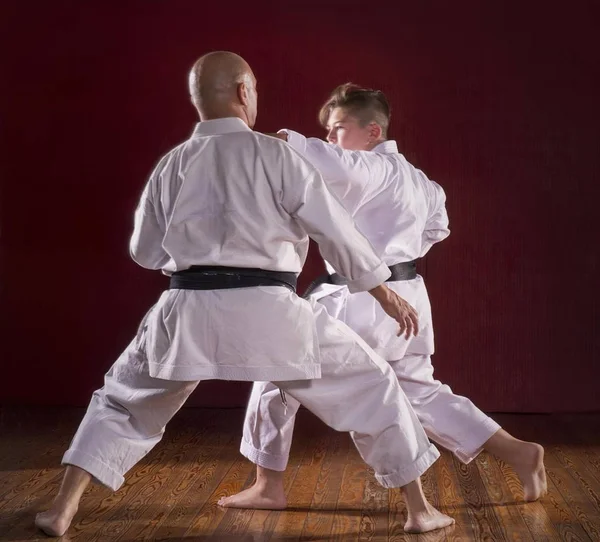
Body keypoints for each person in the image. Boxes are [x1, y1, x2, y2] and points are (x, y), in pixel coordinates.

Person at [34, 56, 455, 538]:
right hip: (271, 315)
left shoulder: (172, 163)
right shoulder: (277, 157)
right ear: (241, 91)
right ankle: (420, 511)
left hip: (185, 311)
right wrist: (381, 291)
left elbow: (145, 252)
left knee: (120, 403)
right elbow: (335, 231)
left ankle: (61, 509)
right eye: (253, 88)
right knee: (374, 386)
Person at [223, 84, 546, 512]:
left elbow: (305, 153)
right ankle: (518, 452)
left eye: (339, 128)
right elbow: (436, 229)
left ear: (372, 131)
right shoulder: (423, 183)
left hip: (360, 300)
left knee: (278, 372)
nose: (333, 137)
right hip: (409, 294)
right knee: (419, 391)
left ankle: (268, 486)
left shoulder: (367, 169)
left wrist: (230, 133)